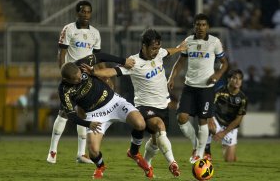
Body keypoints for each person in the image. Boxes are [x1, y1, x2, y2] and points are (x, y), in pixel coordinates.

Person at [90, 28, 187, 178]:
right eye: (153, 48)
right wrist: (94, 73)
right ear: (144, 46)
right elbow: (113, 71)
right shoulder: (134, 62)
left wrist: (180, 48)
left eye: (157, 48)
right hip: (145, 106)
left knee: (155, 141)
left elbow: (168, 51)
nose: (156, 51)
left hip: (162, 104)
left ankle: (146, 164)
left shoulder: (159, 53)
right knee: (159, 126)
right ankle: (173, 163)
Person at [59, 59, 148, 179]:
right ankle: (100, 166)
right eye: (76, 79)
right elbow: (71, 115)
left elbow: (101, 56)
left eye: (80, 76)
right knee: (93, 151)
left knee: (140, 124)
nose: (80, 79)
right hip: (95, 115)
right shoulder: (64, 91)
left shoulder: (82, 66)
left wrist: (122, 60)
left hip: (114, 102)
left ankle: (133, 152)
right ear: (66, 80)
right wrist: (88, 124)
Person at [47, 0, 103, 164]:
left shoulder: (95, 33)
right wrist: (64, 74)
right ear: (77, 13)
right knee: (64, 113)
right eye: (82, 11)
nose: (85, 14)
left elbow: (98, 59)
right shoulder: (69, 29)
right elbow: (62, 53)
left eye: (88, 12)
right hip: (72, 78)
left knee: (83, 113)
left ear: (91, 14)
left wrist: (103, 76)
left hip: (87, 79)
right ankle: (52, 151)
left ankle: (81, 154)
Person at [167, 13, 228, 163]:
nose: (200, 27)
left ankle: (199, 153)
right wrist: (172, 77)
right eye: (198, 24)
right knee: (181, 118)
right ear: (194, 26)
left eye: (203, 25)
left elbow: (224, 63)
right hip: (189, 86)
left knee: (202, 121)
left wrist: (217, 75)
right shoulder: (188, 41)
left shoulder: (215, 42)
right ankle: (196, 144)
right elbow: (180, 62)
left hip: (206, 88)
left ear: (207, 27)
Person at [205, 69, 248, 162]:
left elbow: (238, 120)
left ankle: (231, 152)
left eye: (240, 79)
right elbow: (210, 105)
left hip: (230, 127)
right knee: (206, 121)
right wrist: (210, 118)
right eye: (235, 78)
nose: (237, 81)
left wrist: (223, 133)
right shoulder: (220, 91)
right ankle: (207, 151)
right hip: (217, 121)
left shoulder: (243, 98)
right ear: (229, 79)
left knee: (229, 160)